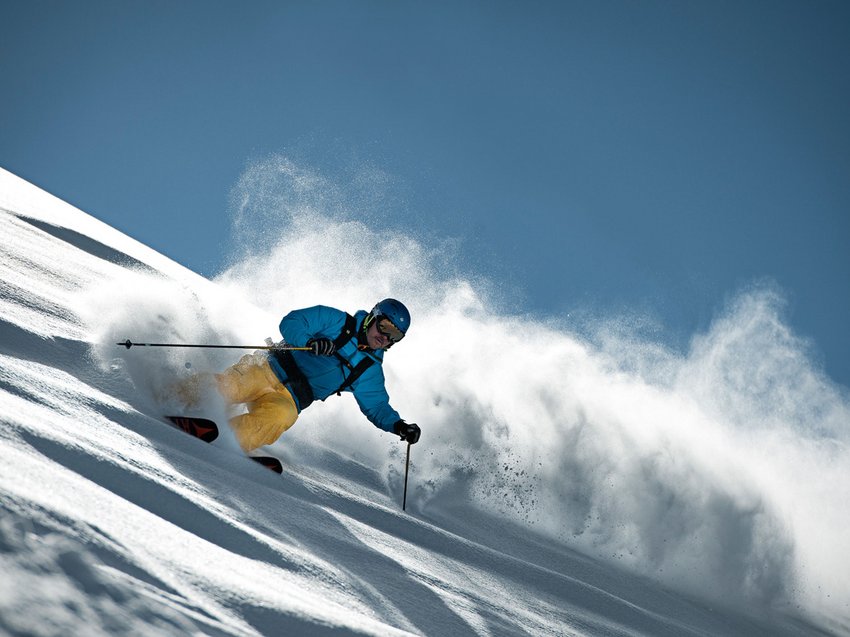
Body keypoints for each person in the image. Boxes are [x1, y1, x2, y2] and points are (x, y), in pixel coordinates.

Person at [214, 298, 421, 452]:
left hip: (290, 398)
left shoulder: (369, 369)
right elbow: (292, 321)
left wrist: (399, 426)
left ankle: (224, 437)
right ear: (372, 318)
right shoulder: (337, 321)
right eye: (385, 327)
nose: (385, 337)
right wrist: (309, 342)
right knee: (233, 388)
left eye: (394, 335)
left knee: (280, 417)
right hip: (268, 369)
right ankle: (186, 395)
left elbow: (376, 406)